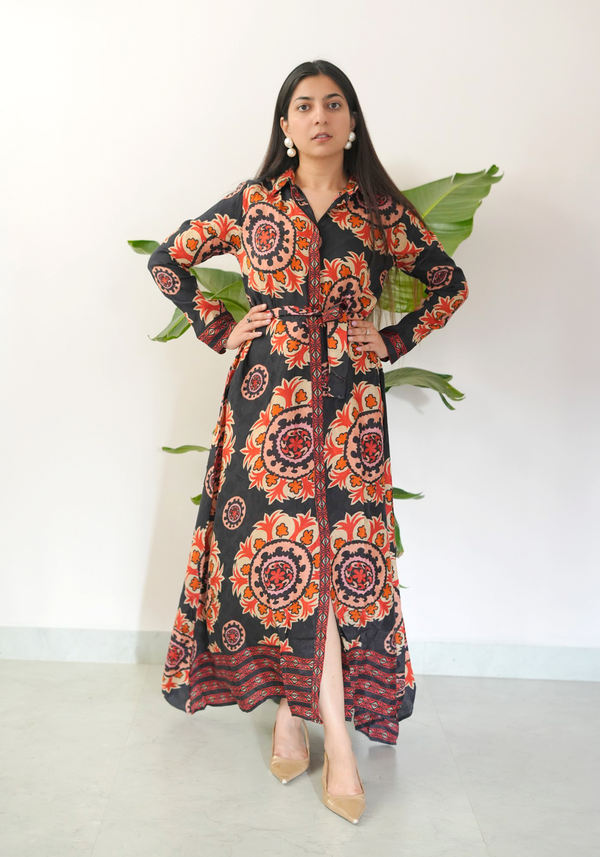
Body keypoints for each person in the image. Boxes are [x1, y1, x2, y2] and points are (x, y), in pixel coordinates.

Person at [147, 59, 469, 824]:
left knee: (333, 559)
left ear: (352, 121)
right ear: (285, 127)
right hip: (268, 407)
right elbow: (169, 261)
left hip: (349, 409)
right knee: (280, 558)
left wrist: (388, 341)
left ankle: (321, 732)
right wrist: (223, 326)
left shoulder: (381, 212)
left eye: (333, 104)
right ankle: (312, 730)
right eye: (303, 105)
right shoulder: (255, 204)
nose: (319, 116)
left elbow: (448, 282)